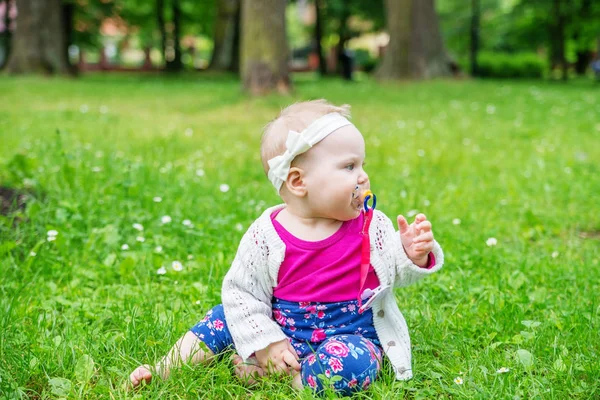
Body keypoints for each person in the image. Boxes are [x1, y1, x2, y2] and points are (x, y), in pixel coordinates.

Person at [129, 100, 444, 395]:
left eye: (362, 164)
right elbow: (243, 295)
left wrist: (410, 253)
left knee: (354, 362)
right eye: (349, 167)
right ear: (297, 182)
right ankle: (164, 368)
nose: (363, 176)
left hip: (350, 336)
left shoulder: (370, 225)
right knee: (224, 317)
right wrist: (267, 341)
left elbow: (394, 272)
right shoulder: (266, 236)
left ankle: (290, 378)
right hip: (279, 330)